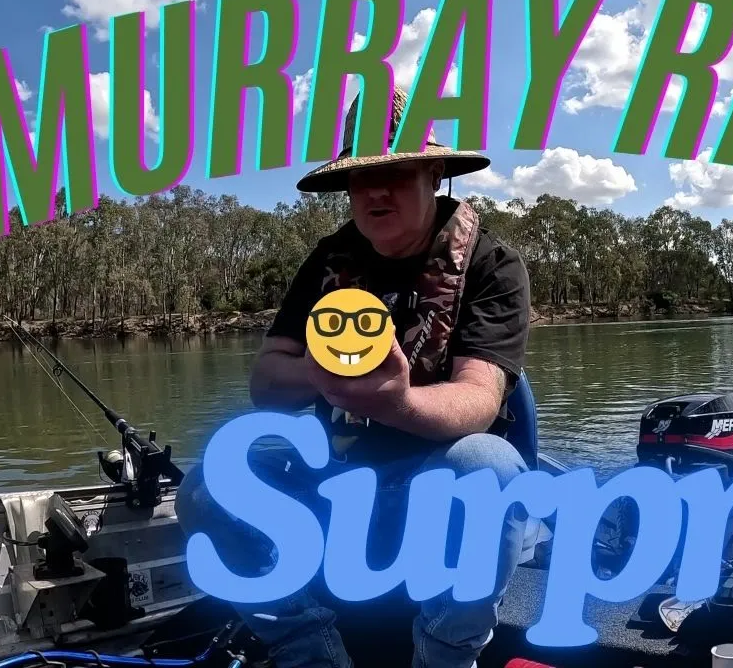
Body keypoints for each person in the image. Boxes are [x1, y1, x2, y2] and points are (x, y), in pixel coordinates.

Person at [174, 87, 533, 668]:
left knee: (486, 467)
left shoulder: (493, 265)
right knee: (208, 487)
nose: (375, 191)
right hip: (336, 481)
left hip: (436, 482)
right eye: (361, 177)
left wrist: (395, 401)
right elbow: (266, 382)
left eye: (394, 173)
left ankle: (444, 657)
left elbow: (478, 400)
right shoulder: (328, 261)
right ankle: (312, 655)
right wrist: (323, 375)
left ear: (433, 173)